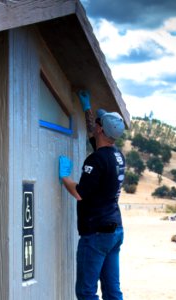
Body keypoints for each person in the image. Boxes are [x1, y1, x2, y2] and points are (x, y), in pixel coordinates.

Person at [59, 90, 126, 300]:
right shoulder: (117, 156)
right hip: (115, 230)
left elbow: (79, 193)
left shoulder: (95, 160)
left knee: (86, 292)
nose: (95, 125)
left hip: (96, 233)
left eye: (98, 122)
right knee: (112, 291)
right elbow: (93, 134)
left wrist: (64, 178)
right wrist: (87, 108)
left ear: (100, 129)